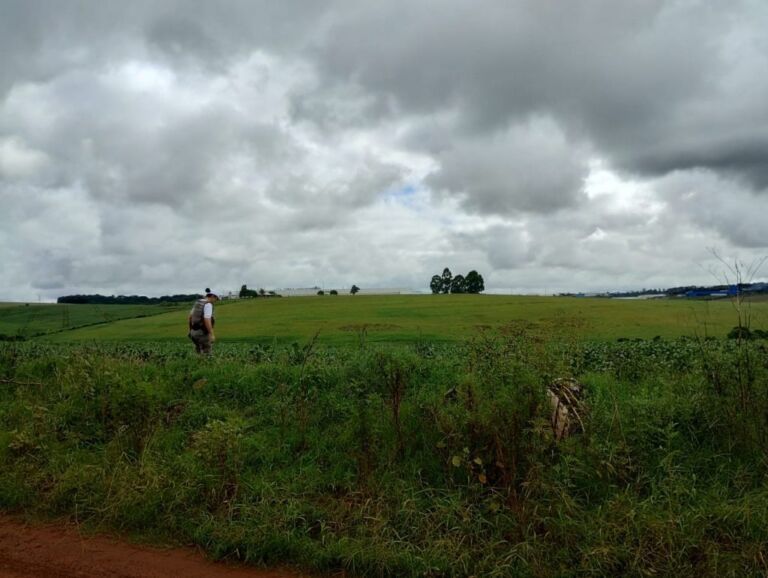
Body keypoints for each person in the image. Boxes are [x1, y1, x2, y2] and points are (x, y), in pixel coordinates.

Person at [188, 289, 219, 354]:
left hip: (194, 332)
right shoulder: (208, 305)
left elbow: (190, 317)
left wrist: (190, 330)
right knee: (207, 354)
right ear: (212, 296)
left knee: (198, 353)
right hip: (202, 333)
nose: (216, 301)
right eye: (216, 298)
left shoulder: (198, 303)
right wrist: (212, 334)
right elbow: (207, 319)